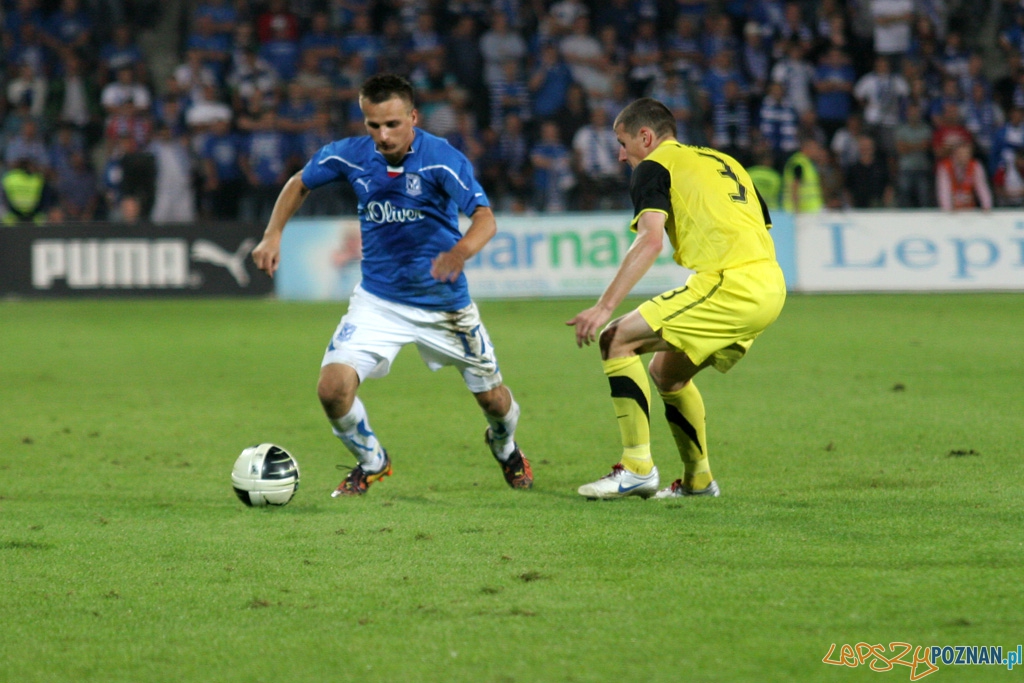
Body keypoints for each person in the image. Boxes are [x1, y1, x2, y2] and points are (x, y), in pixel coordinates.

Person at [250, 74, 532, 497]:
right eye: (373, 125)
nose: (382, 135)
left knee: (494, 401)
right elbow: (299, 182)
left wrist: (458, 254)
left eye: (393, 124)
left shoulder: (441, 158)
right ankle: (372, 460)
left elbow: (485, 218)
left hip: (444, 305)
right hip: (378, 301)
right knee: (332, 389)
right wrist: (273, 234)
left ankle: (506, 446)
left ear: (413, 117)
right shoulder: (351, 154)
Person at [567, 98, 786, 500]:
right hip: (769, 284)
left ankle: (635, 469)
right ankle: (698, 482)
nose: (620, 154)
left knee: (615, 338)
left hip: (729, 283)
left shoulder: (655, 164)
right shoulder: (725, 161)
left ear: (645, 137)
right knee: (668, 374)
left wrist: (603, 307)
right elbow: (760, 223)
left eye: (622, 142)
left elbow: (650, 239)